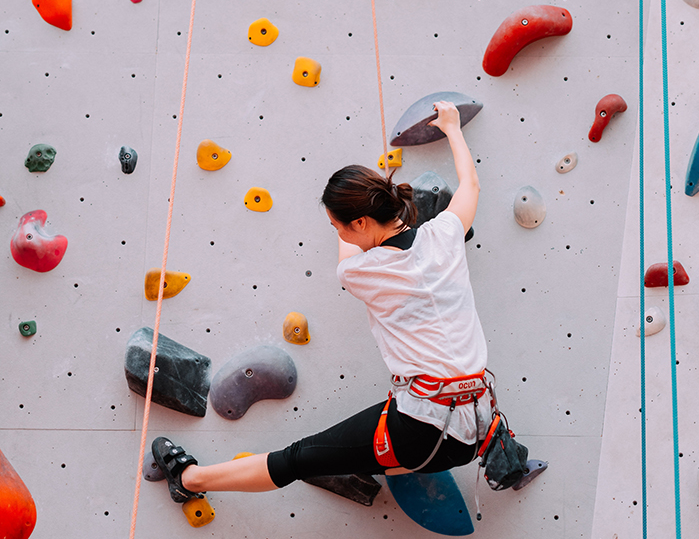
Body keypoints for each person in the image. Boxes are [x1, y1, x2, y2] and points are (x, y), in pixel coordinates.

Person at [151, 100, 493, 502]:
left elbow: (350, 251)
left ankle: (189, 481)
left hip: (424, 433)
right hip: (478, 421)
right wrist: (452, 127)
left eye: (337, 225)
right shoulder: (446, 235)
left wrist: (352, 212)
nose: (338, 233)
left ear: (361, 222)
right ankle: (362, 465)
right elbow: (471, 185)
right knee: (361, 447)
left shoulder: (361, 272)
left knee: (297, 458)